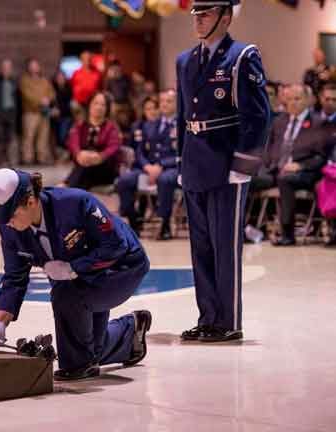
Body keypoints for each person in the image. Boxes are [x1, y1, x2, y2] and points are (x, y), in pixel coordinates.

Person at [0, 168, 152, 381]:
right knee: (88, 348)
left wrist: (74, 268)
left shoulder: (76, 203)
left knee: (65, 296)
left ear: (31, 201)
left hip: (121, 267)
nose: (9, 224)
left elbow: (116, 246)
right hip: (78, 278)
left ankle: (78, 366)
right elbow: (14, 277)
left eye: (12, 216)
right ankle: (131, 331)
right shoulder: (9, 227)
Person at [176, 0, 271, 342]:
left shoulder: (242, 56)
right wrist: (180, 163)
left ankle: (228, 322)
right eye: (196, 14)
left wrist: (243, 166)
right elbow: (182, 117)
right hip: (195, 161)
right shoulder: (185, 60)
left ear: (226, 16)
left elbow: (259, 116)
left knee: (225, 246)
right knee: (200, 247)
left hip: (226, 164)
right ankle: (208, 318)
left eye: (207, 13)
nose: (199, 19)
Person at [269, 85, 333, 246]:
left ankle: (287, 234)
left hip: (308, 172)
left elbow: (321, 157)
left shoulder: (318, 122)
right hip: (277, 169)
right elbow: (269, 149)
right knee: (246, 178)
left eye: (297, 99)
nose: (293, 103)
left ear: (308, 100)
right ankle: (242, 228)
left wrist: (300, 165)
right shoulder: (279, 122)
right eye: (289, 99)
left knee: (285, 179)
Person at [117, 92, 178, 239]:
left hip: (171, 167)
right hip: (148, 168)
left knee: (165, 180)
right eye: (162, 101)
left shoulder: (182, 125)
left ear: (176, 104)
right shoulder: (149, 125)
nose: (164, 104)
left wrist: (161, 165)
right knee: (124, 180)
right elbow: (139, 151)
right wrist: (147, 167)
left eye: (169, 101)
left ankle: (165, 224)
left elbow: (183, 152)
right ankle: (134, 219)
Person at [64, 91, 120, 190]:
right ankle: (69, 190)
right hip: (83, 165)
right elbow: (73, 142)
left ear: (107, 109)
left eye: (103, 105)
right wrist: (79, 154)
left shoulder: (112, 128)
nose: (99, 107)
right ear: (89, 105)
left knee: (84, 168)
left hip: (104, 170)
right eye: (96, 103)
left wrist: (100, 156)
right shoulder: (80, 126)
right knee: (85, 166)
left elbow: (114, 147)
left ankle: (66, 187)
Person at [19, 58, 55, 165]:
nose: (34, 67)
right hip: (31, 112)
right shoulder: (24, 80)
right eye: (31, 65)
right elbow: (26, 95)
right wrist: (40, 101)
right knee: (29, 137)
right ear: (28, 67)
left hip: (44, 112)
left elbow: (51, 92)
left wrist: (48, 99)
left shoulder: (44, 80)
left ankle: (41, 158)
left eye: (35, 65)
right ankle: (27, 158)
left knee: (43, 136)